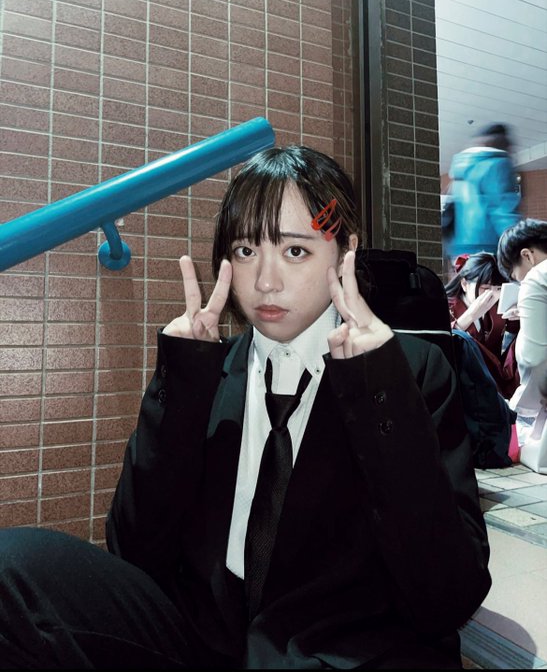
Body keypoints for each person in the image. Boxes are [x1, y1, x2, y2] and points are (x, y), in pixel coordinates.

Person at [0, 145, 491, 669]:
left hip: (339, 651)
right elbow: (133, 550)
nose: (265, 281)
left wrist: (378, 387)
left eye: (295, 251)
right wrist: (180, 385)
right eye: (246, 250)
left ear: (345, 251)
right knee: (13, 572)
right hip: (203, 639)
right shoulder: (207, 369)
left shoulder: (409, 372)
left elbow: (447, 595)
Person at [497, 218, 547, 473]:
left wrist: (517, 409)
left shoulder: (537, 277)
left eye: (518, 278)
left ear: (527, 255)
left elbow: (535, 357)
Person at [445, 251, 519, 399]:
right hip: (464, 380)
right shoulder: (446, 307)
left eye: (498, 289)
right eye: (485, 288)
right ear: (464, 284)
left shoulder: (498, 304)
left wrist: (520, 315)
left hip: (495, 376)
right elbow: (442, 344)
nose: (492, 294)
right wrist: (470, 315)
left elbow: (515, 331)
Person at [443, 123, 521, 262]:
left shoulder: (462, 166)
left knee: (469, 276)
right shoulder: (498, 164)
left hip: (460, 245)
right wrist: (518, 243)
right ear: (501, 142)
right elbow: (503, 209)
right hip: (489, 243)